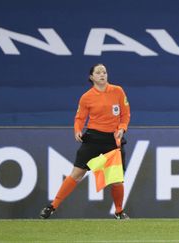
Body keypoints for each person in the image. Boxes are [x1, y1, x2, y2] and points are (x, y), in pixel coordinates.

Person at [40, 63, 131, 219]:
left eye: (104, 72)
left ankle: (119, 212)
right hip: (93, 138)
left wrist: (122, 128)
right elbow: (80, 118)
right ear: (92, 77)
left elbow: (125, 114)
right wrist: (77, 130)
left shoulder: (118, 91)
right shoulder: (86, 97)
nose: (102, 74)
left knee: (116, 179)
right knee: (77, 174)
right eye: (98, 72)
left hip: (113, 140)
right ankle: (52, 206)